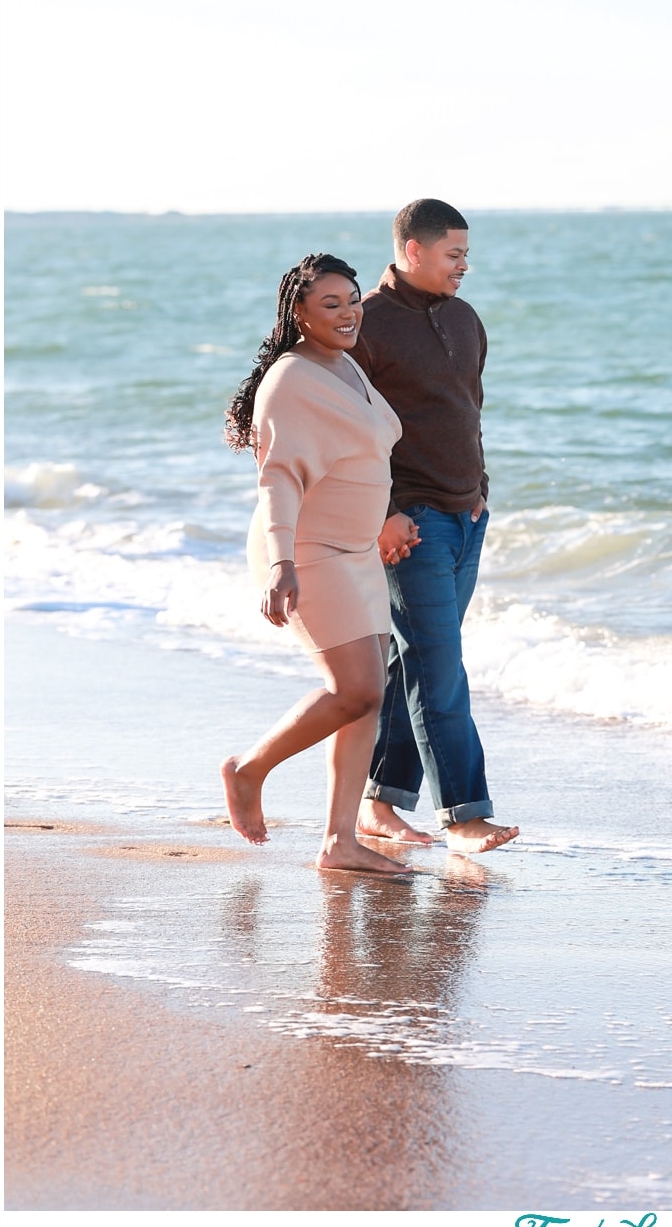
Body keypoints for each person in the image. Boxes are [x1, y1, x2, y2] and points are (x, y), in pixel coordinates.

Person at [219, 253, 419, 875]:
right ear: (298, 314)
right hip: (306, 550)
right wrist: (281, 563)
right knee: (355, 687)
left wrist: (382, 517)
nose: (348, 312)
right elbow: (277, 479)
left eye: (353, 299)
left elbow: (356, 458)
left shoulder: (346, 370)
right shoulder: (290, 380)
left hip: (356, 551)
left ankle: (339, 841)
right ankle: (249, 769)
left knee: (370, 695)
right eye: (330, 304)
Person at [352, 199, 519, 854]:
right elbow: (345, 429)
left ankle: (380, 804)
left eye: (467, 254)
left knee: (414, 663)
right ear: (412, 250)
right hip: (410, 523)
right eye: (454, 255)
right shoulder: (365, 324)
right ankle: (465, 814)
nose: (464, 266)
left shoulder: (464, 317)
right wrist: (381, 512)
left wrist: (478, 492)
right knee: (440, 666)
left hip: (466, 515)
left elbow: (465, 412)